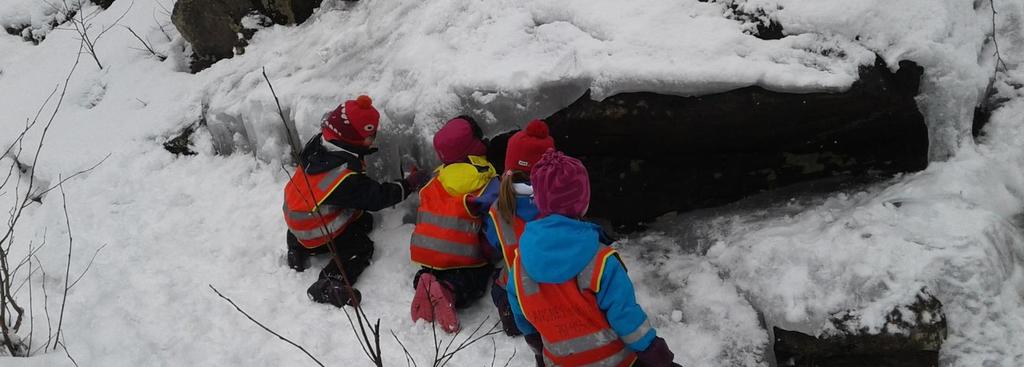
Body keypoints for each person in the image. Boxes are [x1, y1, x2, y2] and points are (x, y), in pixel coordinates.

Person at [508, 149, 680, 367]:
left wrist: (539, 352)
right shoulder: (602, 260)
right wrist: (655, 353)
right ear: (583, 202)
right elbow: (625, 317)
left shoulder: (519, 264)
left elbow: (523, 317)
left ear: (538, 200)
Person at [283, 95, 428, 308]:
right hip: (315, 231)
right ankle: (330, 281)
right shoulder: (342, 177)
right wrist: (408, 184)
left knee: (364, 221)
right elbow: (376, 197)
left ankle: (297, 249)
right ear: (350, 139)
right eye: (370, 136)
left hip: (297, 222)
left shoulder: (318, 146)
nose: (373, 140)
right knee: (361, 246)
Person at [409, 116, 497, 333]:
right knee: (473, 280)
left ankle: (424, 279)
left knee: (433, 271)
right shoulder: (486, 178)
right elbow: (493, 214)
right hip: (462, 255)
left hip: (427, 252)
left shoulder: (437, 176)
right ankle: (448, 291)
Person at [482, 119, 554, 336]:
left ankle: (513, 310)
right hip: (557, 284)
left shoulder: (497, 207)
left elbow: (494, 242)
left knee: (500, 282)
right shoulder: (556, 203)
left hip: (518, 284)